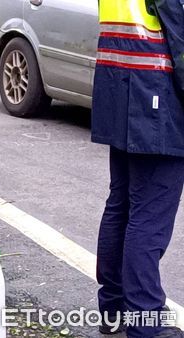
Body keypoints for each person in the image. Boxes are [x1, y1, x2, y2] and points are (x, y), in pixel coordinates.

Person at [93, 0, 184, 337]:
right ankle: (146, 322)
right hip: (158, 93)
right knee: (149, 216)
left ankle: (114, 309)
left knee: (123, 205)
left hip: (120, 83)